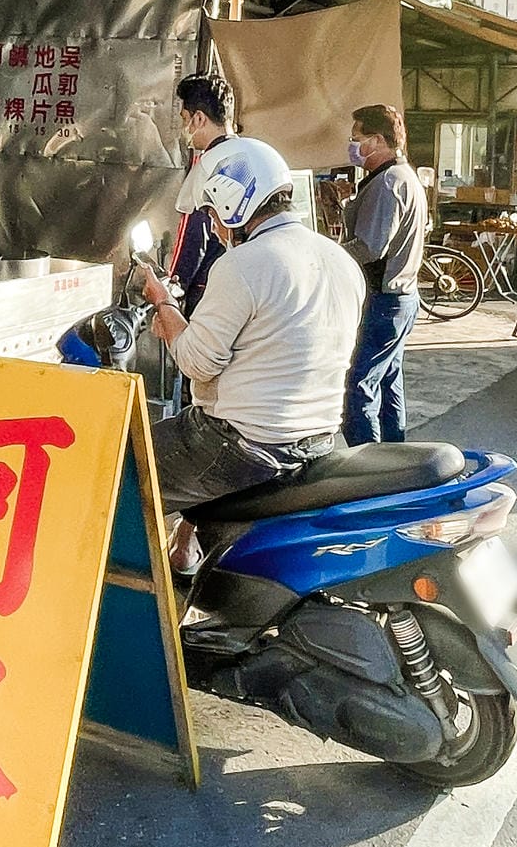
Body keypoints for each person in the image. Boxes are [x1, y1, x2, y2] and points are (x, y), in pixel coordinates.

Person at [143, 137, 365, 575]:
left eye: (211, 212)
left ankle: (126, 593)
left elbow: (196, 363)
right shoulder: (340, 260)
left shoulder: (243, 264)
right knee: (186, 441)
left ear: (231, 203)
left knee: (120, 469)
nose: (213, 226)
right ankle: (184, 550)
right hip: (317, 442)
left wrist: (164, 306)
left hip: (245, 445)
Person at [341, 103, 429, 446]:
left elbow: (369, 247)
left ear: (377, 140)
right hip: (402, 299)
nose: (352, 146)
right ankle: (396, 459)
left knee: (359, 387)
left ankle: (368, 469)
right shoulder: (404, 177)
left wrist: (328, 254)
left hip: (384, 301)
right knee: (389, 381)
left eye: (356, 138)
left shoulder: (388, 183)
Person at [170, 73, 237, 315]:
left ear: (198, 118)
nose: (182, 128)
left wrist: (172, 289)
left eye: (184, 119)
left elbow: (192, 239)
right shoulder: (250, 156)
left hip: (209, 290)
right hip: (247, 285)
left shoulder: (208, 166)